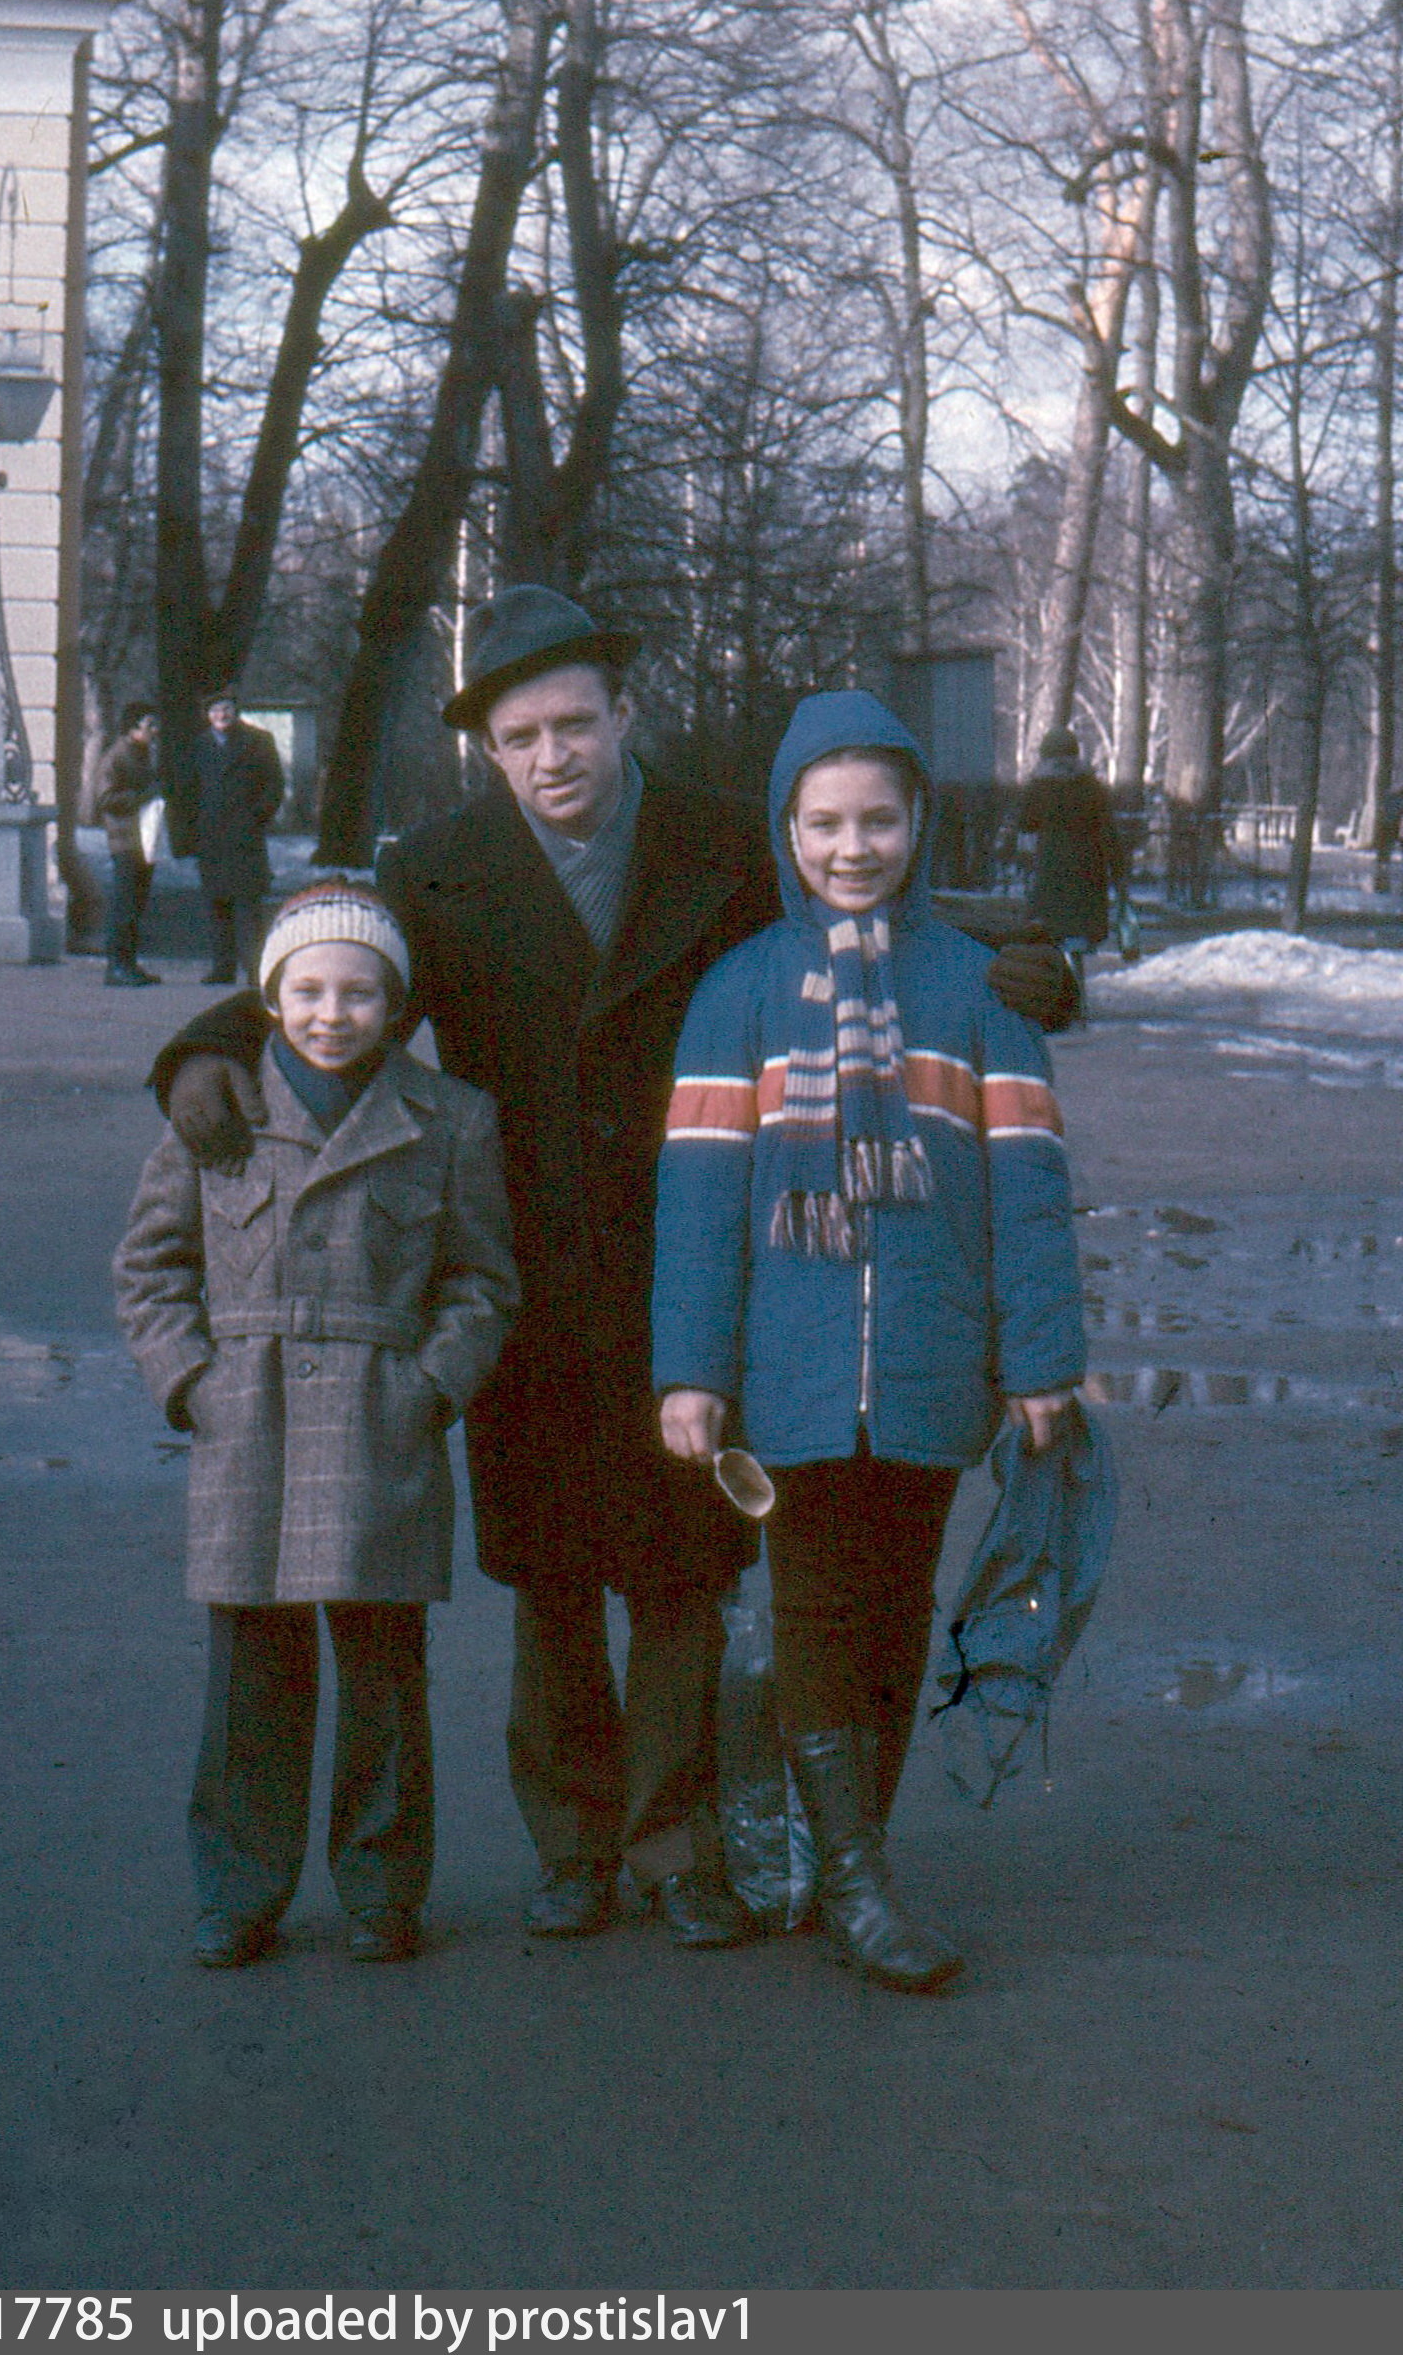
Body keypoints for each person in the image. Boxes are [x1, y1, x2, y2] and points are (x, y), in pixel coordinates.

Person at [150, 587, 1077, 1952]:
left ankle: (677, 1843)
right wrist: (202, 1049)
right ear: (489, 749)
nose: (553, 756)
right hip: (522, 1268)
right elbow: (337, 971)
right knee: (553, 1582)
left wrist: (1026, 960)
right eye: (520, 736)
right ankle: (574, 1844)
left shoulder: (722, 835)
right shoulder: (438, 865)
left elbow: (860, 895)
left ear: (622, 714)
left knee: (684, 1574)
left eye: (573, 723)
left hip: (696, 1259)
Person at [654, 691, 1086, 1994]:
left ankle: (855, 1854)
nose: (854, 846)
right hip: (786, 1376)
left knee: (896, 1617)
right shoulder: (737, 990)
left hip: (929, 1363)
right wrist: (691, 1369)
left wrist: (1041, 1359)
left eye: (879, 820)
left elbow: (1028, 1187)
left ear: (919, 823)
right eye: (826, 821)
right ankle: (853, 1882)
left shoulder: (979, 989)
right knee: (813, 1611)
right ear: (786, 827)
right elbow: (698, 1201)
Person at [114, 881, 518, 1971]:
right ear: (270, 997)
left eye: (359, 992)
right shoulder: (218, 1110)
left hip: (381, 1425)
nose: (332, 1014)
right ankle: (238, 1890)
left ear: (397, 1005)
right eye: (308, 991)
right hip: (248, 1422)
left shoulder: (450, 1119)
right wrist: (193, 1383)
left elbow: (483, 1281)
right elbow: (150, 1267)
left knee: (384, 1671)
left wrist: (430, 1387)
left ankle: (383, 1888)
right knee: (251, 1675)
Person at [1018, 725, 1126, 986]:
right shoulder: (1091, 785)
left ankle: (1056, 986)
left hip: (1052, 867)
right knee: (1080, 930)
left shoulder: (1039, 786)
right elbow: (1108, 830)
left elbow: (1026, 823)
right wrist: (1117, 868)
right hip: (1088, 867)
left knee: (1051, 930)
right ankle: (1078, 984)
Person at [194, 690, 285, 986]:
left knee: (248, 907)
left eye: (226, 708)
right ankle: (222, 967)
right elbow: (189, 789)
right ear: (208, 715)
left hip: (245, 835)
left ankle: (255, 969)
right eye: (215, 710)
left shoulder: (258, 741)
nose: (221, 715)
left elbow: (274, 784)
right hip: (211, 837)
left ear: (236, 710)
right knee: (216, 904)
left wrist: (256, 816)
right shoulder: (200, 744)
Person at [94, 704, 162, 989]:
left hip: (143, 838)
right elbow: (104, 799)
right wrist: (143, 796)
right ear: (133, 728)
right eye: (149, 725)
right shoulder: (117, 756)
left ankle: (129, 963)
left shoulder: (143, 753)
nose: (155, 730)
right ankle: (117, 966)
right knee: (124, 905)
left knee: (135, 904)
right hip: (125, 840)